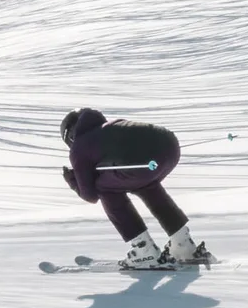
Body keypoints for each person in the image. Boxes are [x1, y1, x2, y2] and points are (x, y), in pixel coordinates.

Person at [59, 108, 212, 269]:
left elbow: (90, 195)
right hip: (170, 147)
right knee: (147, 186)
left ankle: (144, 251)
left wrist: (73, 181)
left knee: (105, 189)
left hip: (139, 160)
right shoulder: (113, 126)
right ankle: (184, 245)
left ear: (70, 135)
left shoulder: (80, 146)